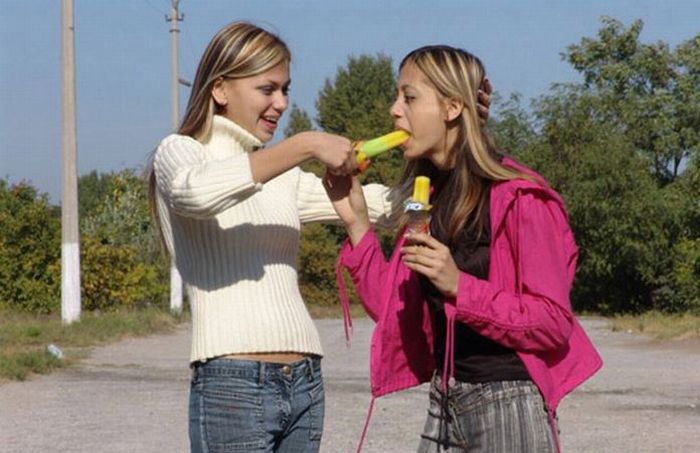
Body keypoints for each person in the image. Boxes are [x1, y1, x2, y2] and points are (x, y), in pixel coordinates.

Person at [325, 45, 603, 452]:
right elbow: (392, 310)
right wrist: (357, 225)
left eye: (409, 97)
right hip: (445, 397)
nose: (394, 110)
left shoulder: (520, 196)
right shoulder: (427, 198)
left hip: (509, 401)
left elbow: (552, 321)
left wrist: (459, 285)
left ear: (452, 107)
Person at [147, 21, 403, 453]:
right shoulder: (180, 152)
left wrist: (449, 147)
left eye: (285, 89)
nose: (281, 103)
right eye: (268, 89)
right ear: (221, 88)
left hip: (305, 382)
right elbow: (195, 192)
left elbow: (387, 208)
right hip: (231, 384)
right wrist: (302, 146)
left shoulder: (282, 177)